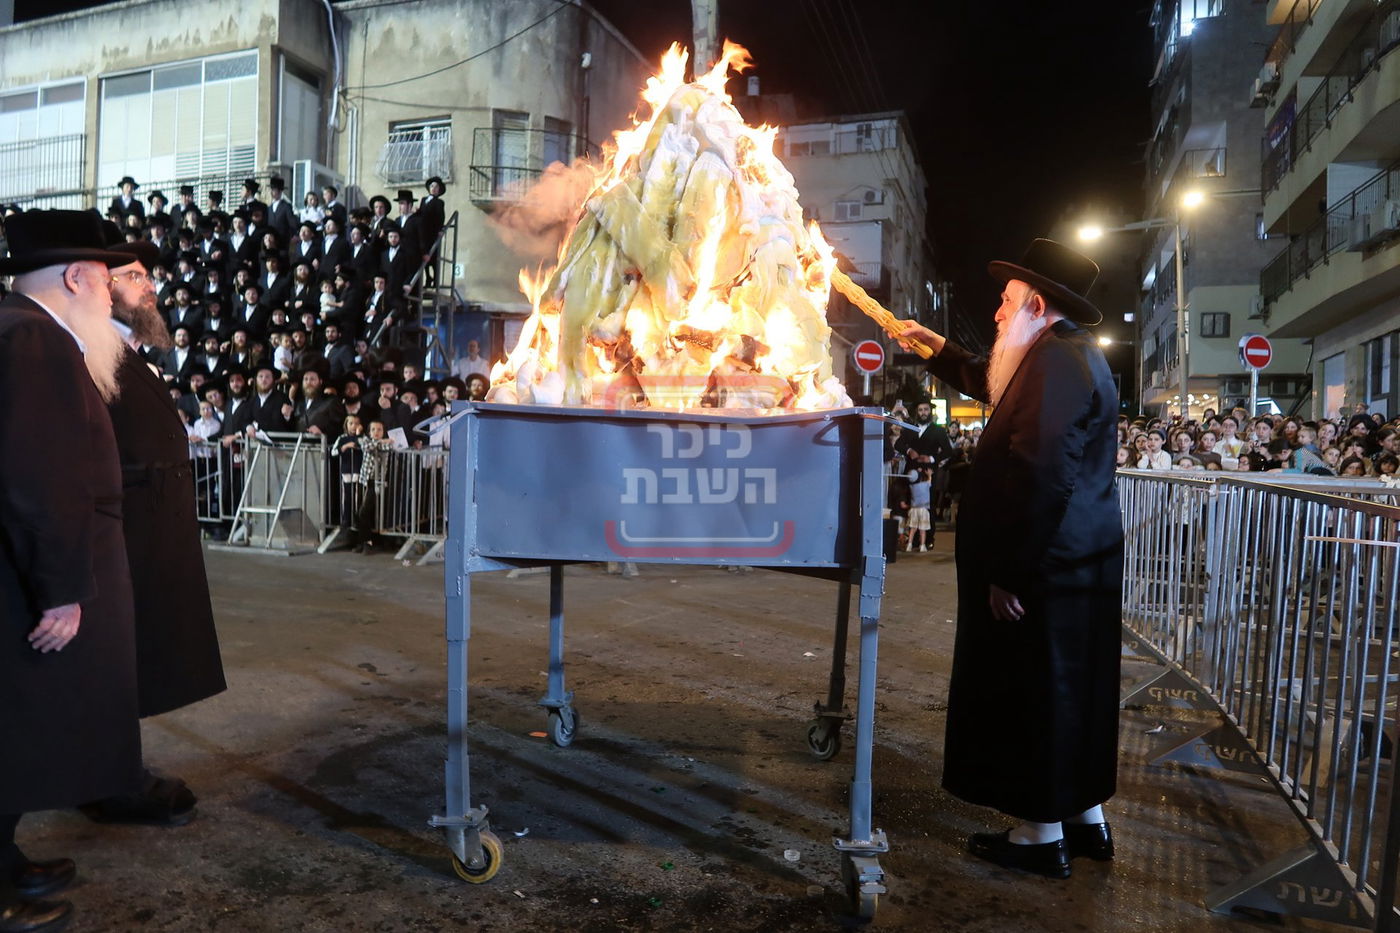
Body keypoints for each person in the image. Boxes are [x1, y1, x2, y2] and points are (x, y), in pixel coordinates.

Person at [896, 239, 1123, 880]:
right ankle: (1083, 820)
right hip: (1077, 561)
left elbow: (1040, 475)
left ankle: (1038, 833)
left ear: (1036, 304)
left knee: (1036, 692)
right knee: (1074, 691)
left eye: (1004, 302)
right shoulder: (1063, 355)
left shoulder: (1056, 364)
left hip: (1046, 567)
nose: (996, 313)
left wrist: (1010, 573)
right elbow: (989, 379)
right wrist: (937, 348)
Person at [0, 210, 143, 932]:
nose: (114, 297)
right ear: (78, 275)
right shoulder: (32, 337)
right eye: (107, 282)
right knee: (15, 724)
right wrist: (60, 590)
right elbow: (36, 476)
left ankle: (6, 859)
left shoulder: (16, 326)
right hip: (23, 581)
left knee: (19, 730)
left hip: (18, 571)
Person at [99, 237, 226, 820]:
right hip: (121, 531)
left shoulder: (128, 348)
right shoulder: (92, 351)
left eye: (148, 275)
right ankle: (110, 780)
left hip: (147, 527)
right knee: (112, 661)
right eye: (133, 276)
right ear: (100, 287)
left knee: (134, 657)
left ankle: (112, 771)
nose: (148, 285)